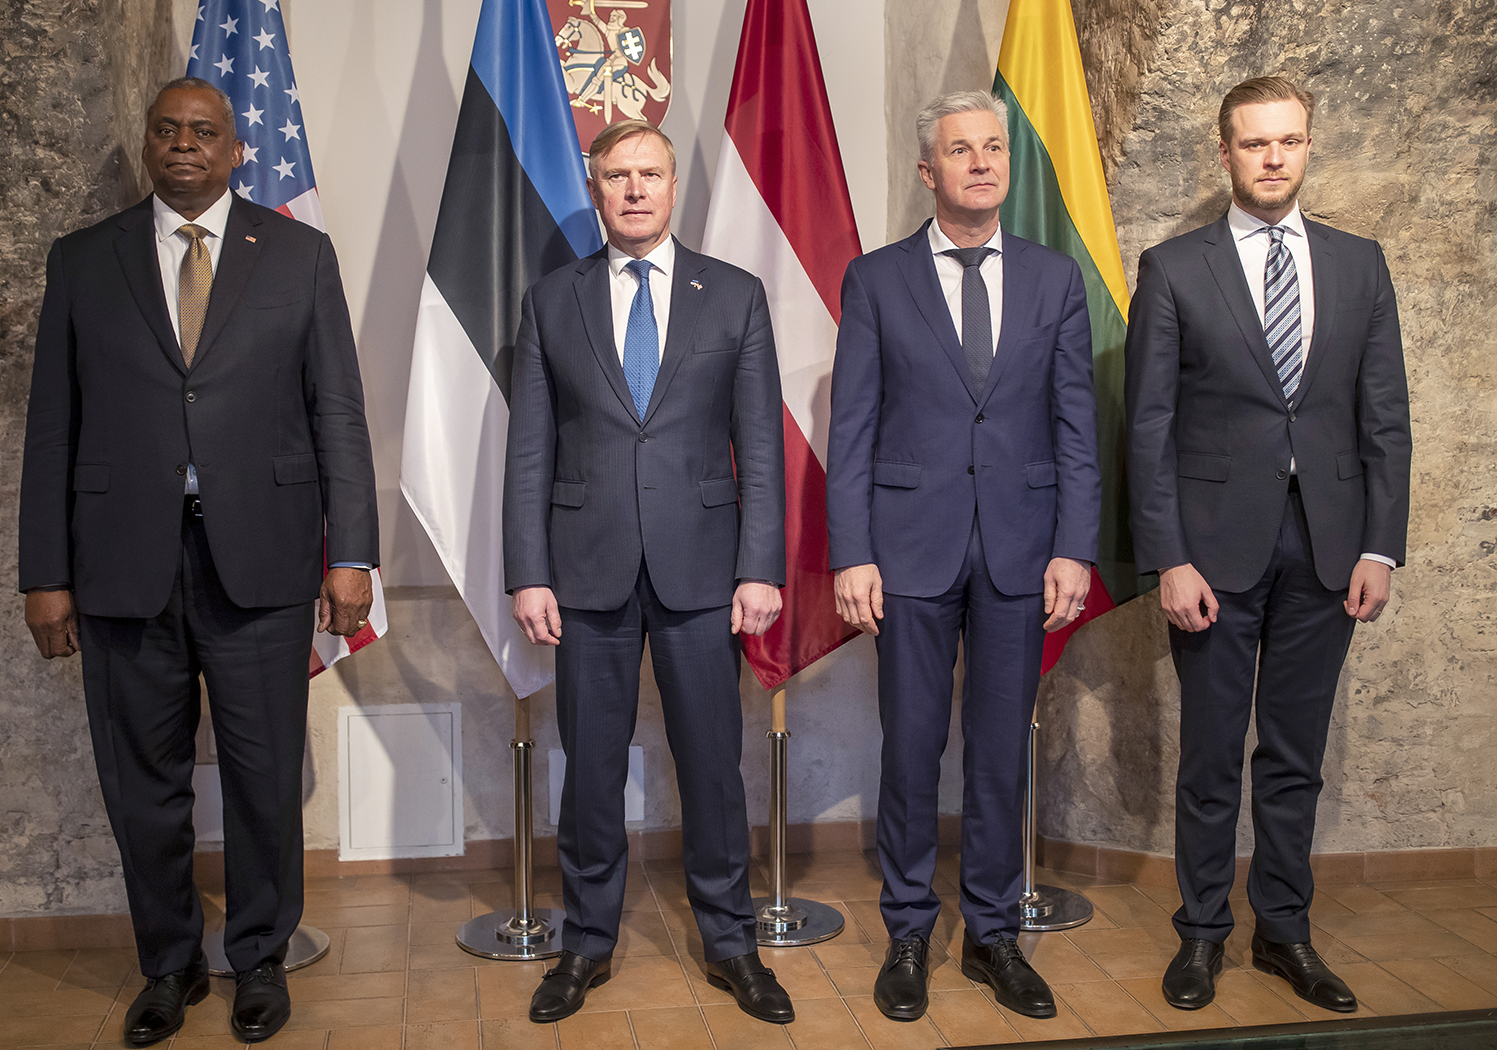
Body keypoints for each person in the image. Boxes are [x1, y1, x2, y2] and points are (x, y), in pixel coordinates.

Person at [18, 78, 379, 1045]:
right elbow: (51, 428)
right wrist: (42, 572)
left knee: (264, 775)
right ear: (147, 143)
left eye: (204, 132)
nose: (184, 145)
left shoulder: (298, 255)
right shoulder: (84, 261)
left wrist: (355, 556)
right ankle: (168, 965)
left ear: (236, 152)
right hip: (122, 566)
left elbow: (336, 412)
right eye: (167, 130)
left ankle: (259, 957)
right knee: (144, 779)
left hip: (262, 562)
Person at [1126, 75, 1410, 1014]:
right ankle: (1202, 935)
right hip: (1210, 553)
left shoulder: (1361, 264)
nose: (1274, 157)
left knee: (1295, 754)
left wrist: (1381, 546)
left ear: (1309, 146)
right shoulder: (1174, 269)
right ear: (1226, 154)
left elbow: (1386, 422)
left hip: (1329, 553)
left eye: (1289, 141)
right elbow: (1149, 428)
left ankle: (1284, 930)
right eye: (1255, 144)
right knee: (1210, 754)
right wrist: (1167, 556)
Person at [503, 118, 791, 1025]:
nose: (634, 189)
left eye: (651, 173)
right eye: (617, 174)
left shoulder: (735, 296)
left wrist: (760, 567)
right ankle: (585, 944)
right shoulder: (552, 300)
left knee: (712, 766)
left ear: (675, 186)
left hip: (706, 573)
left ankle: (733, 943)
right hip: (582, 575)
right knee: (588, 769)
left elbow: (762, 446)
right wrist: (528, 571)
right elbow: (529, 453)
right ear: (596, 188)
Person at [826, 91, 1101, 1022]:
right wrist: (851, 552)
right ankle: (908, 928)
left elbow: (1076, 426)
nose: (981, 162)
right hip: (905, 553)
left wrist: (1076, 546)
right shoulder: (874, 279)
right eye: (960, 150)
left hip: (1024, 550)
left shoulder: (1055, 279)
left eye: (993, 148)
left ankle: (992, 934)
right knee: (909, 747)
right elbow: (853, 427)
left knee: (997, 752)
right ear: (927, 171)